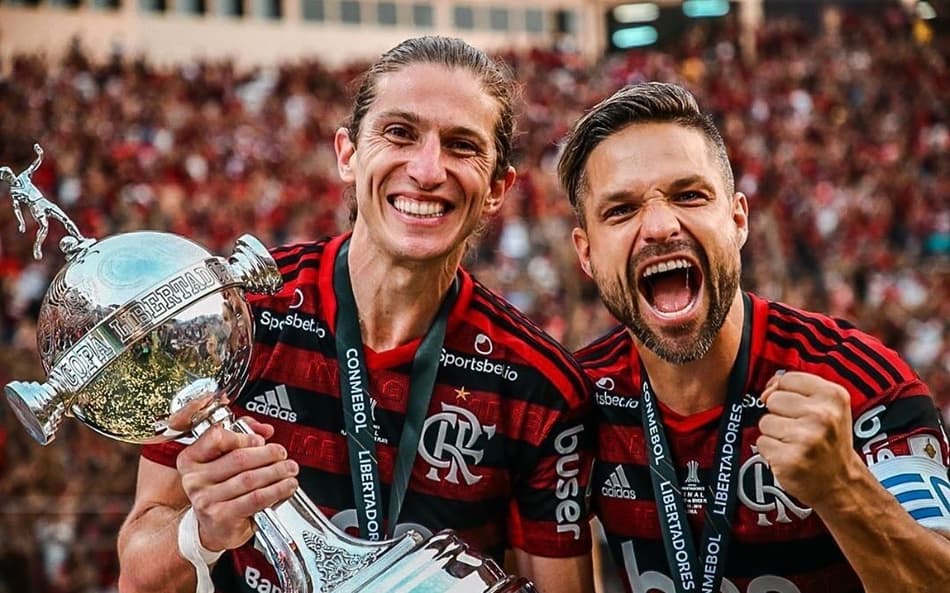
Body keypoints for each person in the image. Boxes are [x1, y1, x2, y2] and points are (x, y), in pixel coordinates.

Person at [117, 36, 594, 593]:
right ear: (348, 154)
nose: (427, 168)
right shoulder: (237, 314)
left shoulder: (539, 386)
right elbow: (137, 574)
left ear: (497, 189)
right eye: (399, 133)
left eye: (462, 146)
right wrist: (201, 531)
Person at [557, 81, 950, 593]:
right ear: (586, 254)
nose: (658, 226)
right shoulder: (576, 399)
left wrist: (842, 486)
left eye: (689, 195)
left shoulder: (858, 380)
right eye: (621, 210)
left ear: (738, 219)